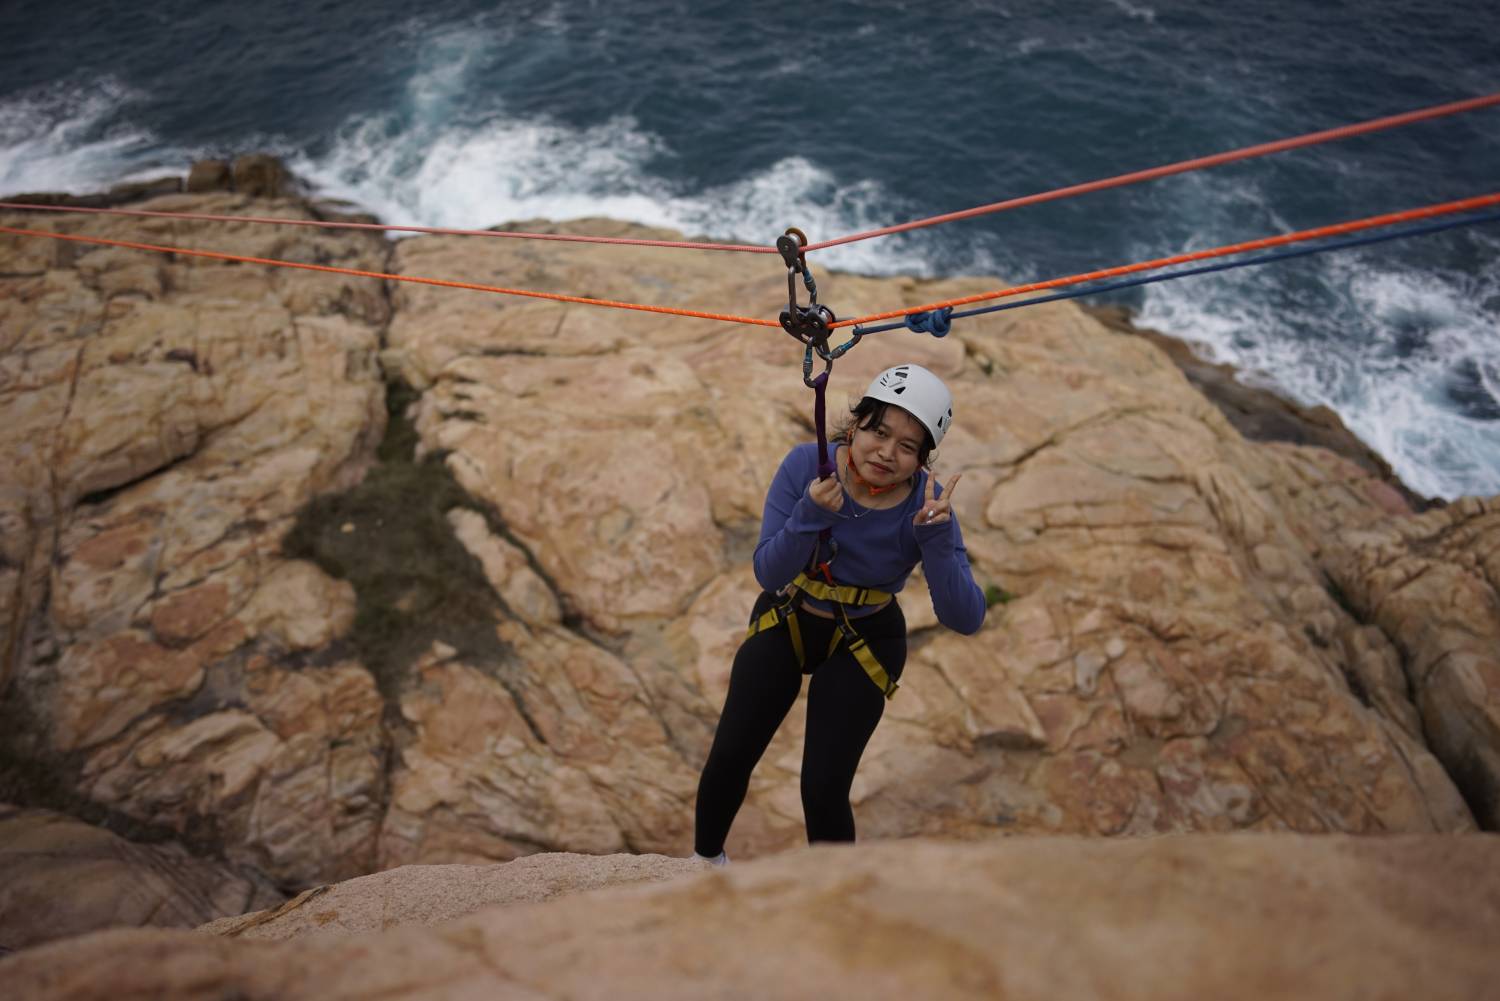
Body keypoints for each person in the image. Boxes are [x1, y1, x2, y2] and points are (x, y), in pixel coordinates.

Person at [693, 363, 986, 865]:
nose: (886, 453)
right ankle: (705, 868)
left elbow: (965, 617)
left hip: (868, 636)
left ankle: (834, 896)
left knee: (823, 786)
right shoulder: (808, 466)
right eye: (879, 432)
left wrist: (934, 538)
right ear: (856, 425)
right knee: (732, 755)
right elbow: (768, 570)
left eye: (908, 447)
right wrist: (810, 515)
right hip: (789, 613)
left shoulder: (927, 507)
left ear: (922, 459)